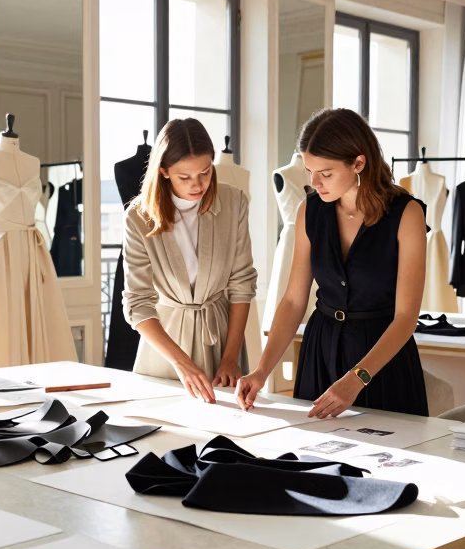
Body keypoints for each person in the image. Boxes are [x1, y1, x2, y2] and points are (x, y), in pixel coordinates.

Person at [237, 108, 429, 418]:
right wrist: (261, 370)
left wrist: (357, 379)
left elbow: (406, 317)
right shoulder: (308, 211)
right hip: (320, 351)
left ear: (358, 163)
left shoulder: (406, 215)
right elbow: (293, 300)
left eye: (325, 173)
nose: (315, 182)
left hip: (380, 359)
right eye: (310, 171)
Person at [122, 118, 257, 402]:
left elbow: (242, 284)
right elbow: (137, 305)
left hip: (221, 341)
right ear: (164, 171)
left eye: (205, 172)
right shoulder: (138, 217)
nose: (198, 185)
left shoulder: (234, 202)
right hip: (165, 348)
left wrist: (231, 357)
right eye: (185, 177)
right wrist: (181, 364)